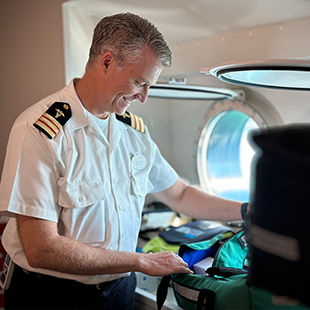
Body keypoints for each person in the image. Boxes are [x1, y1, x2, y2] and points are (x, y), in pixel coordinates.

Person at [0, 12, 248, 309]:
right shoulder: (40, 131)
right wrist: (140, 261)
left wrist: (247, 211)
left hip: (119, 289)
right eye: (139, 82)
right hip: (53, 295)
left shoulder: (132, 132)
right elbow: (41, 248)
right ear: (106, 62)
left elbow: (178, 193)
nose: (144, 97)